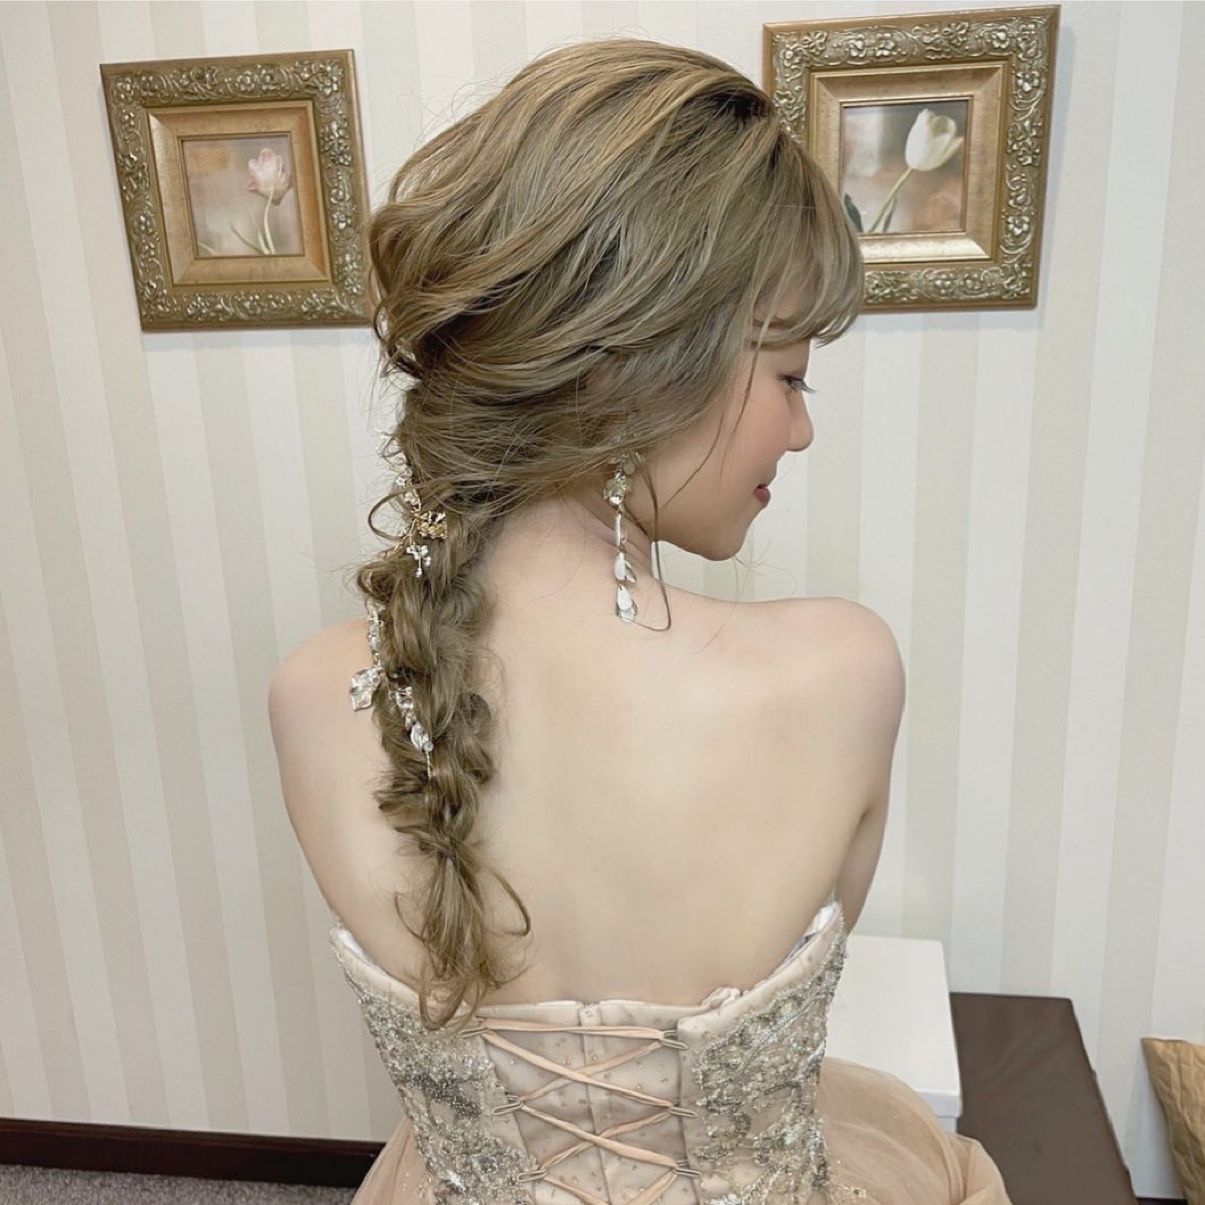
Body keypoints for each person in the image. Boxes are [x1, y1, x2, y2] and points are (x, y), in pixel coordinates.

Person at [267, 36, 1012, 1205]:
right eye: (789, 377)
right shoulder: (837, 672)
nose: (800, 429)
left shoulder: (312, 692)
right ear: (639, 370)